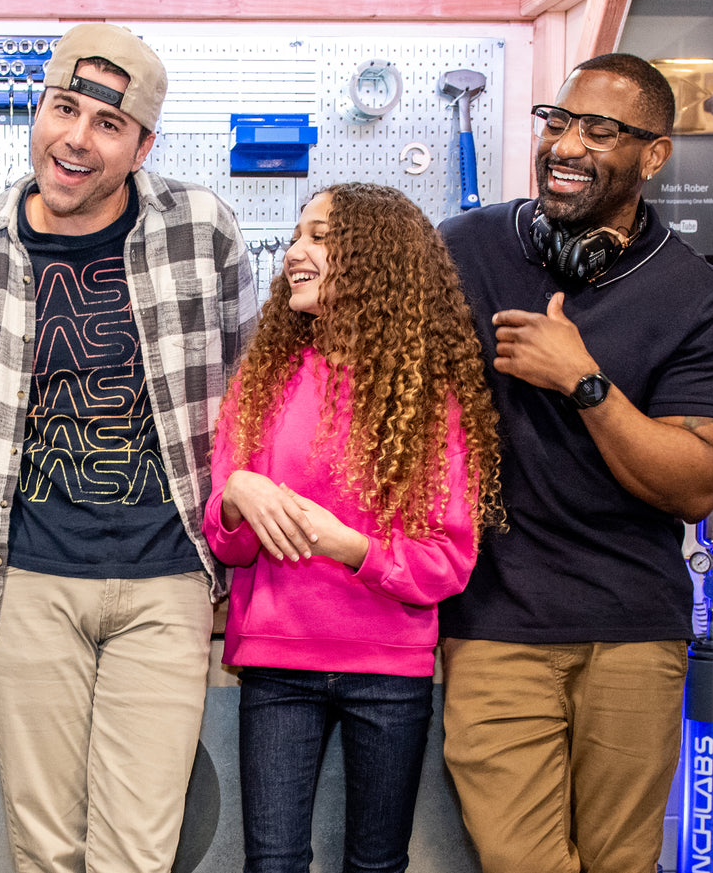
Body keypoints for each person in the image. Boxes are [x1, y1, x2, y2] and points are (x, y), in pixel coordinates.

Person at [0, 22, 257, 873]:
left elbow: (259, 391)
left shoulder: (204, 230)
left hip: (169, 580)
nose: (76, 137)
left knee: (138, 851)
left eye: (108, 123)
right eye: (63, 108)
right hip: (23, 580)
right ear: (39, 110)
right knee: (45, 849)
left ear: (142, 146)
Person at [438, 53, 713, 873]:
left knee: (621, 862)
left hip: (633, 632)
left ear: (654, 154)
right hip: (494, 624)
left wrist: (583, 381)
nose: (567, 144)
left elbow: (694, 483)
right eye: (558, 120)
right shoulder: (465, 248)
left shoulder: (695, 295)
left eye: (599, 130)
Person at [204, 183, 502, 873]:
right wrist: (238, 495)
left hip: (388, 671)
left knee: (376, 864)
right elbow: (228, 542)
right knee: (272, 863)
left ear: (374, 259)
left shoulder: (431, 398)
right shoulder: (264, 379)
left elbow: (447, 564)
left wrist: (351, 547)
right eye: (298, 234)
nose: (294, 252)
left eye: (320, 236)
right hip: (277, 666)